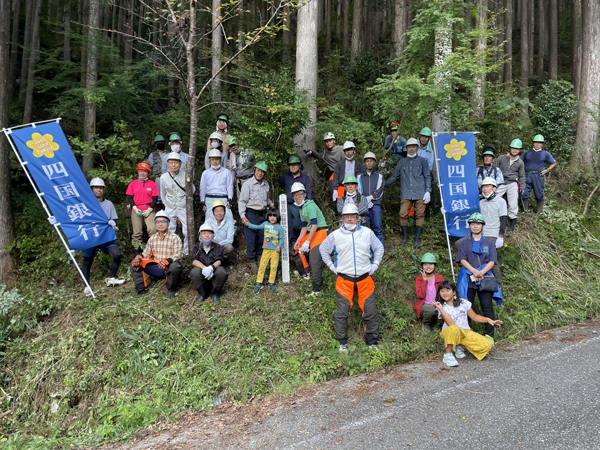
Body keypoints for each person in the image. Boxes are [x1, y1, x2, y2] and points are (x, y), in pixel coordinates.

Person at [320, 204, 384, 352]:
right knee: (341, 312)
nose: (349, 219)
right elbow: (323, 249)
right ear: (342, 218)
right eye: (346, 216)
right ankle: (342, 342)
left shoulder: (367, 233)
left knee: (370, 311)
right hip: (344, 279)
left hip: (365, 277)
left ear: (357, 217)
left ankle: (372, 342)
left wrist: (375, 264)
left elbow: (379, 248)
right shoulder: (336, 235)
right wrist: (331, 266)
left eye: (352, 216)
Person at [434, 280, 502, 367]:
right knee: (453, 328)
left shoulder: (463, 303)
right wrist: (441, 309)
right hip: (450, 332)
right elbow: (451, 324)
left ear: (454, 292)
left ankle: (460, 347)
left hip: (465, 332)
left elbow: (474, 317)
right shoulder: (442, 307)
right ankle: (448, 354)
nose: (444, 293)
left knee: (487, 344)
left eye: (447, 290)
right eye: (442, 291)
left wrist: (488, 320)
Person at [76, 178, 125, 296]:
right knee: (87, 260)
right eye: (96, 188)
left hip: (104, 235)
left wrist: (113, 224)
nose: (99, 190)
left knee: (116, 254)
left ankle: (111, 278)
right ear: (92, 189)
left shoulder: (109, 204)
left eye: (101, 188)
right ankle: (87, 286)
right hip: (90, 234)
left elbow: (113, 219)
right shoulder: (85, 204)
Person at [456, 212, 499, 340]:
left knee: (487, 307)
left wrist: (482, 271)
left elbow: (492, 261)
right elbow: (462, 259)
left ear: (482, 226)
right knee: (467, 308)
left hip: (484, 278)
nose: (475, 227)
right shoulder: (464, 243)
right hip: (468, 279)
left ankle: (489, 336)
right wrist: (474, 271)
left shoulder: (489, 243)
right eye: (473, 224)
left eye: (478, 224)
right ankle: (467, 336)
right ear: (469, 226)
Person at [456, 177, 506, 282]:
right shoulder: (481, 202)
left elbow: (503, 219)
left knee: (491, 259)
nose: (485, 189)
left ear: (494, 188)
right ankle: (473, 269)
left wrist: (501, 236)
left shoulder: (501, 201)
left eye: (487, 186)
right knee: (459, 243)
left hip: (491, 234)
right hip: (477, 232)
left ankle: (497, 283)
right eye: (483, 187)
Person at [385, 137, 432, 248]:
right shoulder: (402, 162)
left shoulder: (422, 161)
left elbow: (427, 176)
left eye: (413, 147)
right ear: (406, 148)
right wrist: (382, 184)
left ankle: (417, 239)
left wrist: (428, 191)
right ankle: (405, 237)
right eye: (409, 147)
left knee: (420, 215)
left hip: (420, 192)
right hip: (406, 192)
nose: (411, 149)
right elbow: (394, 176)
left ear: (417, 148)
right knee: (403, 213)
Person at [130, 211, 184, 298]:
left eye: (163, 221)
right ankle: (140, 289)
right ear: (155, 224)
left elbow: (178, 254)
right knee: (135, 262)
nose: (160, 224)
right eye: (158, 222)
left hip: (169, 267)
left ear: (168, 223)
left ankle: (172, 289)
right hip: (157, 267)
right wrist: (139, 256)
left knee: (175, 266)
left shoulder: (175, 238)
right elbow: (147, 252)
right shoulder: (152, 238)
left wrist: (168, 260)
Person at [293, 183, 329, 297]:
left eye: (299, 194)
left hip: (321, 231)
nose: (297, 196)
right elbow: (304, 227)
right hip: (312, 232)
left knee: (314, 258)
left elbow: (314, 225)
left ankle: (317, 289)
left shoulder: (310, 206)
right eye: (294, 195)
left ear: (304, 194)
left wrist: (307, 242)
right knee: (297, 249)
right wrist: (299, 240)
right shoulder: (301, 208)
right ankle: (306, 273)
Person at [239, 161, 274, 274]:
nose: (260, 173)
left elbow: (266, 199)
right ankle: (252, 261)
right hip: (251, 214)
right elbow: (242, 201)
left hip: (263, 215)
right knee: (251, 239)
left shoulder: (266, 184)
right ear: (254, 170)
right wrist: (243, 216)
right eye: (258, 171)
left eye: (262, 172)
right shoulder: (247, 184)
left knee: (262, 237)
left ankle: (260, 258)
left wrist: (272, 205)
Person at [160, 152, 192, 255]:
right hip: (170, 206)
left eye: (176, 162)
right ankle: (171, 251)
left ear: (180, 163)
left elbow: (193, 190)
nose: (173, 165)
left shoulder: (185, 174)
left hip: (182, 206)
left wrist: (189, 179)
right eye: (171, 162)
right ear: (168, 164)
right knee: (169, 229)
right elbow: (162, 193)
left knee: (187, 230)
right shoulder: (163, 177)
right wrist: (166, 205)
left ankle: (186, 251)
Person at [279, 154, 312, 246]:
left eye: (295, 164)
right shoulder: (286, 177)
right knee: (289, 224)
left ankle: (301, 241)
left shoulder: (305, 178)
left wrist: (307, 205)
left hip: (301, 205)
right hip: (289, 204)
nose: (293, 167)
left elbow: (309, 193)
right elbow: (278, 183)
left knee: (299, 225)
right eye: (291, 165)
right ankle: (292, 243)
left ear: (300, 166)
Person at [190, 223, 229, 303]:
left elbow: (220, 260)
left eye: (209, 233)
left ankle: (215, 293)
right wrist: (204, 268)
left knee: (222, 271)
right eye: (204, 233)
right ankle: (202, 294)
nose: (207, 235)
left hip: (214, 271)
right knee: (194, 272)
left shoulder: (218, 247)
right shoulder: (196, 248)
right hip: (202, 273)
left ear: (213, 235)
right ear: (200, 236)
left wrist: (211, 268)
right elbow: (194, 260)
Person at [249, 209, 284, 294]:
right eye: (270, 216)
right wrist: (248, 224)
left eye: (274, 216)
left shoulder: (279, 227)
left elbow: (281, 239)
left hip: (275, 251)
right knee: (262, 266)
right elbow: (257, 227)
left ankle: (271, 283)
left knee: (273, 267)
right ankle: (258, 283)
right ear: (268, 217)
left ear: (277, 217)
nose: (272, 218)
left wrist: (279, 245)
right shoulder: (265, 224)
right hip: (265, 250)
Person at [126, 161, 159, 253]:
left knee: (152, 229)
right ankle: (137, 254)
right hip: (136, 209)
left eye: (144, 171)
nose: (142, 173)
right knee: (137, 233)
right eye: (140, 171)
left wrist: (150, 209)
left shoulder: (152, 184)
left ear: (148, 173)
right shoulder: (132, 184)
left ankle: (154, 251)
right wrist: (135, 208)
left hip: (149, 209)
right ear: (138, 172)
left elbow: (155, 198)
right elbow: (130, 197)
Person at [521, 134, 557, 214]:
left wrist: (547, 170)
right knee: (524, 193)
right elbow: (519, 162)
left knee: (538, 194)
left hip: (538, 175)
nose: (537, 144)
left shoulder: (545, 154)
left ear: (542, 144)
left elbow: (554, 163)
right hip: (527, 175)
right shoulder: (526, 153)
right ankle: (525, 211)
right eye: (535, 142)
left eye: (539, 143)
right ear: (533, 143)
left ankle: (538, 213)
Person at [495, 139, 526, 232]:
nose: (515, 150)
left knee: (513, 203)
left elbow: (522, 176)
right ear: (510, 148)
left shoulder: (520, 162)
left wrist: (522, 187)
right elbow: (494, 170)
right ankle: (495, 219)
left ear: (519, 150)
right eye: (513, 148)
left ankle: (512, 224)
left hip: (512, 182)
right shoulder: (501, 158)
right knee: (494, 198)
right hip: (501, 181)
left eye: (517, 149)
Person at [306, 132, 344, 206]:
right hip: (334, 174)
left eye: (330, 140)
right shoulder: (325, 153)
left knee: (344, 192)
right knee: (332, 192)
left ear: (334, 141)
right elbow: (319, 156)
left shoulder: (341, 149)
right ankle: (335, 211)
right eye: (326, 141)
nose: (328, 143)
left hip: (343, 173)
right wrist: (311, 152)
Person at [200, 148, 234, 223]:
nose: (215, 161)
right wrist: (202, 201)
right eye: (213, 159)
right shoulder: (205, 173)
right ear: (209, 160)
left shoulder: (226, 172)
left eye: (217, 159)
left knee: (229, 220)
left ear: (220, 159)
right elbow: (202, 188)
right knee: (209, 221)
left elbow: (229, 186)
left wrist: (230, 199)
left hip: (223, 199)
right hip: (209, 198)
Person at [357, 152, 384, 244]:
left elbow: (380, 190)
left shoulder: (379, 175)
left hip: (376, 204)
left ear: (374, 162)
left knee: (377, 227)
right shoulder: (359, 176)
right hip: (363, 205)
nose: (369, 163)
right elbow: (357, 191)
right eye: (367, 161)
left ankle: (380, 249)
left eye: (371, 161)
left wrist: (371, 197)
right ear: (364, 162)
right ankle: (367, 250)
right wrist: (365, 200)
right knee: (365, 228)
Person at [414, 253, 444, 332]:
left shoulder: (439, 278)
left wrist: (440, 303)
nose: (428, 267)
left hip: (438, 303)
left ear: (434, 265)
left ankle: (437, 323)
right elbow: (420, 295)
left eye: (431, 264)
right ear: (422, 266)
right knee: (430, 310)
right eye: (425, 264)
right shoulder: (419, 279)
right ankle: (426, 322)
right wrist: (424, 281)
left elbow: (444, 293)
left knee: (442, 309)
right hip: (426, 304)